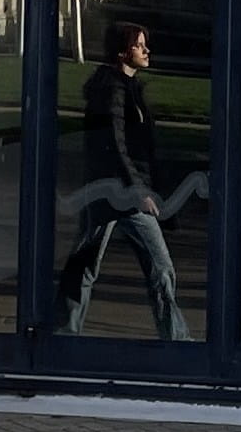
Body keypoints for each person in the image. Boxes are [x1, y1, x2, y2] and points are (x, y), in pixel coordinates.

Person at [54, 21, 190, 341]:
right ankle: (177, 341)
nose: (146, 50)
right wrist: (137, 190)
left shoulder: (130, 88)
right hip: (118, 193)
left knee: (86, 265)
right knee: (158, 267)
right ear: (121, 51)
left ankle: (64, 332)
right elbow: (116, 145)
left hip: (117, 191)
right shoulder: (112, 90)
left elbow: (140, 146)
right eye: (139, 45)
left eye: (145, 44)